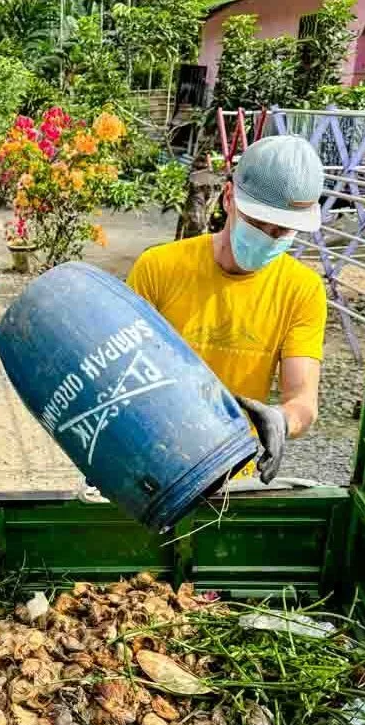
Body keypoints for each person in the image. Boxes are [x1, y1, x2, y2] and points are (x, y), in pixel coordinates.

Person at [127, 135, 327, 484]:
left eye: (282, 230)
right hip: (149, 463)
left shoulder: (302, 291)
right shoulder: (158, 268)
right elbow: (122, 372)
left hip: (233, 473)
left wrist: (284, 419)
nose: (269, 236)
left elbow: (302, 398)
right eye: (257, 222)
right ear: (230, 197)